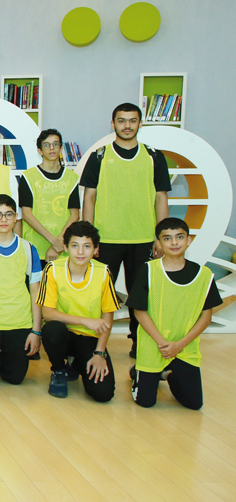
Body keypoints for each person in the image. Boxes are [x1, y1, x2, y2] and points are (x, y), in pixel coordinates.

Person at [81, 102, 171, 357]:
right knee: (99, 295)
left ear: (140, 123)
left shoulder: (154, 156)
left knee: (140, 296)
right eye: (122, 120)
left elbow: (161, 197)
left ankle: (140, 344)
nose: (127, 125)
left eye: (132, 120)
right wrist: (89, 239)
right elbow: (89, 197)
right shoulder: (99, 156)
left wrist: (161, 237)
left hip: (143, 239)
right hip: (106, 239)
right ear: (113, 124)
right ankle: (92, 346)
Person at [129, 218, 222, 410]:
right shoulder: (148, 270)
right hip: (154, 345)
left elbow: (206, 318)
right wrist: (163, 344)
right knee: (146, 402)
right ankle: (139, 373)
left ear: (188, 240)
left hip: (184, 347)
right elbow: (140, 312)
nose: (174, 242)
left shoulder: (204, 275)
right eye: (167, 238)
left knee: (194, 404)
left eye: (179, 237)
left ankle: (167, 373)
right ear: (159, 243)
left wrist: (179, 345)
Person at [37, 221, 119, 402]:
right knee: (52, 330)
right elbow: (47, 313)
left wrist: (99, 353)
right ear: (66, 247)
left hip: (89, 337)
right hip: (63, 334)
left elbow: (107, 318)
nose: (80, 252)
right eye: (75, 246)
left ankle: (76, 363)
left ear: (96, 249)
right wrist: (84, 320)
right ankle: (59, 370)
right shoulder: (53, 269)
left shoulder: (103, 272)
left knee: (103, 394)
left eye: (87, 246)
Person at [0, 195, 43, 385]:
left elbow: (36, 292)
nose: (3, 219)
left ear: (16, 217)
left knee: (15, 379)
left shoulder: (28, 248)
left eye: (8, 214)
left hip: (19, 324)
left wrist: (36, 331)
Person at [20, 129, 81, 263]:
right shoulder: (28, 177)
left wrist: (59, 242)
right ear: (40, 150)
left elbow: (75, 215)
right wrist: (54, 241)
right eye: (47, 145)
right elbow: (26, 214)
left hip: (63, 248)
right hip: (35, 247)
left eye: (55, 144)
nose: (51, 148)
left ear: (61, 148)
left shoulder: (72, 178)